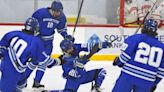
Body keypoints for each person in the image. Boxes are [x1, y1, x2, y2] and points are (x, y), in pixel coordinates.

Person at [0, 17, 61, 92]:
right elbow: (46, 61)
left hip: (8, 65)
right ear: (35, 28)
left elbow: (2, 46)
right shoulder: (36, 42)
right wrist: (59, 61)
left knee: (21, 83)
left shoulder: (13, 33)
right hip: (13, 71)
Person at [28, 0, 74, 88]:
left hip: (48, 43)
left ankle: (36, 82)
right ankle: (23, 80)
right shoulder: (40, 13)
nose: (58, 14)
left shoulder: (61, 17)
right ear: (52, 10)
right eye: (56, 11)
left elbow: (61, 30)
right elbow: (32, 24)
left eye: (60, 11)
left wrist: (66, 36)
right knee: (34, 61)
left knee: (44, 63)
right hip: (38, 41)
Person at [112, 19, 164, 92]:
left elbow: (125, 56)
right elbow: (162, 70)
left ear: (144, 27)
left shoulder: (136, 37)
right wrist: (155, 83)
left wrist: (118, 61)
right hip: (147, 80)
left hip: (128, 76)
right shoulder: (162, 46)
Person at [42, 39, 111, 92]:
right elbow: (75, 75)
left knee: (102, 71)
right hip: (73, 80)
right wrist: (79, 66)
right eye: (69, 49)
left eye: (71, 47)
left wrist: (101, 45)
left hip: (84, 75)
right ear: (64, 51)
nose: (72, 49)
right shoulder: (64, 61)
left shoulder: (75, 47)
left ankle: (96, 88)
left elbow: (90, 46)